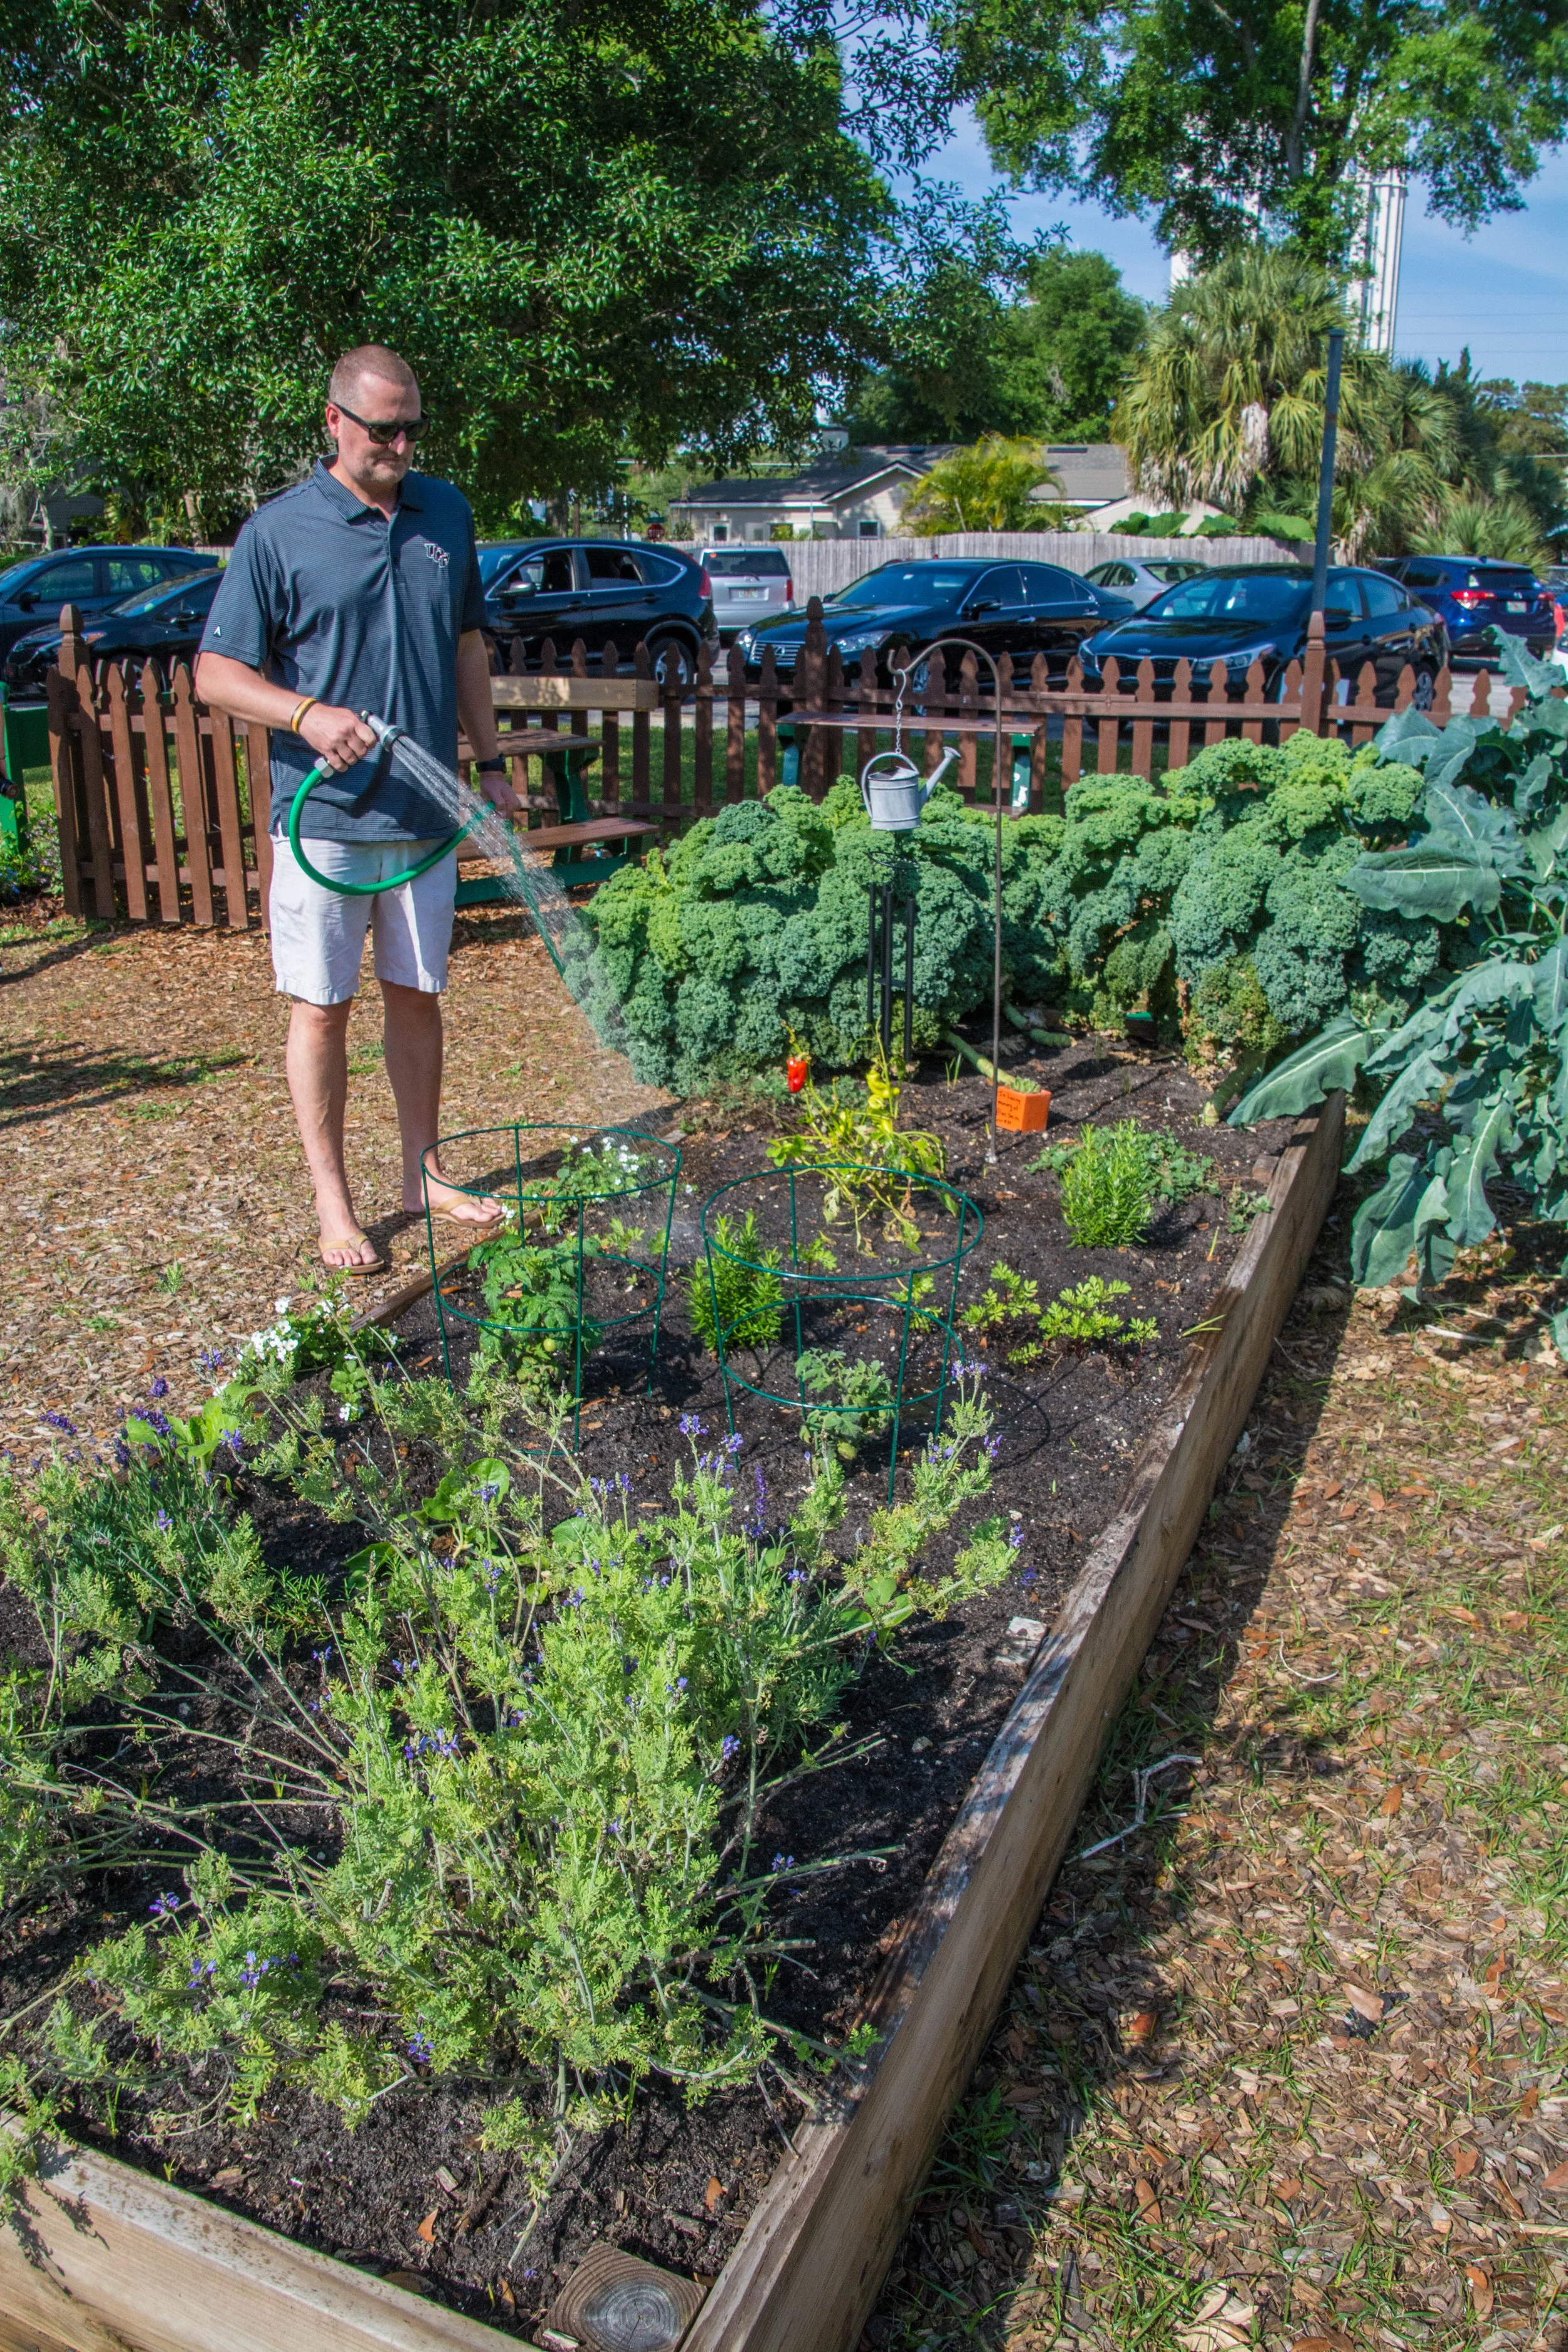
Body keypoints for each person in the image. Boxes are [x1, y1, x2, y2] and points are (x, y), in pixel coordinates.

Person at [194, 344, 517, 1273]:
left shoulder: (445, 513)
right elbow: (214, 672)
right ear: (334, 421)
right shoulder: (277, 532)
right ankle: (334, 1204)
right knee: (323, 1010)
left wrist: (492, 763)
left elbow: (467, 645)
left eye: (413, 428)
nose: (401, 446)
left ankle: (425, 1176)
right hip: (325, 821)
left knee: (418, 998)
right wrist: (305, 714)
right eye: (383, 430)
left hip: (424, 818)